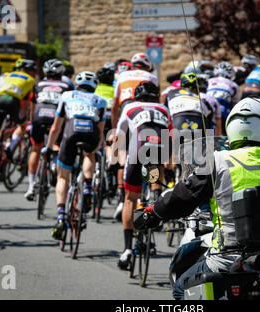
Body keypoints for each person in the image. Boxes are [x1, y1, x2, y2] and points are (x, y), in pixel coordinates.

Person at [140, 97, 260, 300]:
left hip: (231, 257)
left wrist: (154, 212)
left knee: (180, 287)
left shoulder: (218, 161)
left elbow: (183, 196)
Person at [42, 71, 106, 240]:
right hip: (91, 132)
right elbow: (100, 132)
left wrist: (49, 147)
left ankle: (61, 215)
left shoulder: (66, 95)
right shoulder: (100, 100)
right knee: (89, 155)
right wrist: (96, 149)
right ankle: (87, 186)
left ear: (77, 84)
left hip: (71, 130)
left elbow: (56, 127)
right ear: (94, 86)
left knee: (62, 177)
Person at [115, 81, 172, 270]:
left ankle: (127, 250)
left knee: (130, 198)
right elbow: (170, 134)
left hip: (139, 148)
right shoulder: (163, 108)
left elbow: (119, 136)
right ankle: (156, 199)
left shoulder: (130, 106)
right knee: (157, 165)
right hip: (160, 148)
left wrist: (118, 160)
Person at [111, 53, 158, 221]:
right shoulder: (152, 76)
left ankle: (121, 196)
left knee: (122, 153)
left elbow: (115, 104)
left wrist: (114, 128)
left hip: (127, 112)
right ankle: (155, 195)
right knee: (154, 154)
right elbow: (156, 99)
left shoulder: (122, 76)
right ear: (147, 66)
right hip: (147, 115)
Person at [24, 59, 71, 201]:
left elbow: (32, 104)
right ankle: (54, 165)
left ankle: (31, 186)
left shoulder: (38, 84)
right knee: (57, 144)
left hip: (39, 117)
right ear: (61, 73)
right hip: (55, 118)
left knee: (35, 148)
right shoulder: (66, 86)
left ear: (45, 73)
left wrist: (31, 122)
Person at [0, 59, 37, 158]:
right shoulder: (31, 80)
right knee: (22, 126)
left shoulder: (9, 74)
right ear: (30, 71)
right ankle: (10, 148)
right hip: (13, 101)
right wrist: (26, 118)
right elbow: (27, 102)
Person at [206, 61, 239, 132]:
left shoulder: (208, 81)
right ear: (231, 74)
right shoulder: (234, 85)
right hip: (223, 111)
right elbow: (235, 106)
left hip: (208, 109)